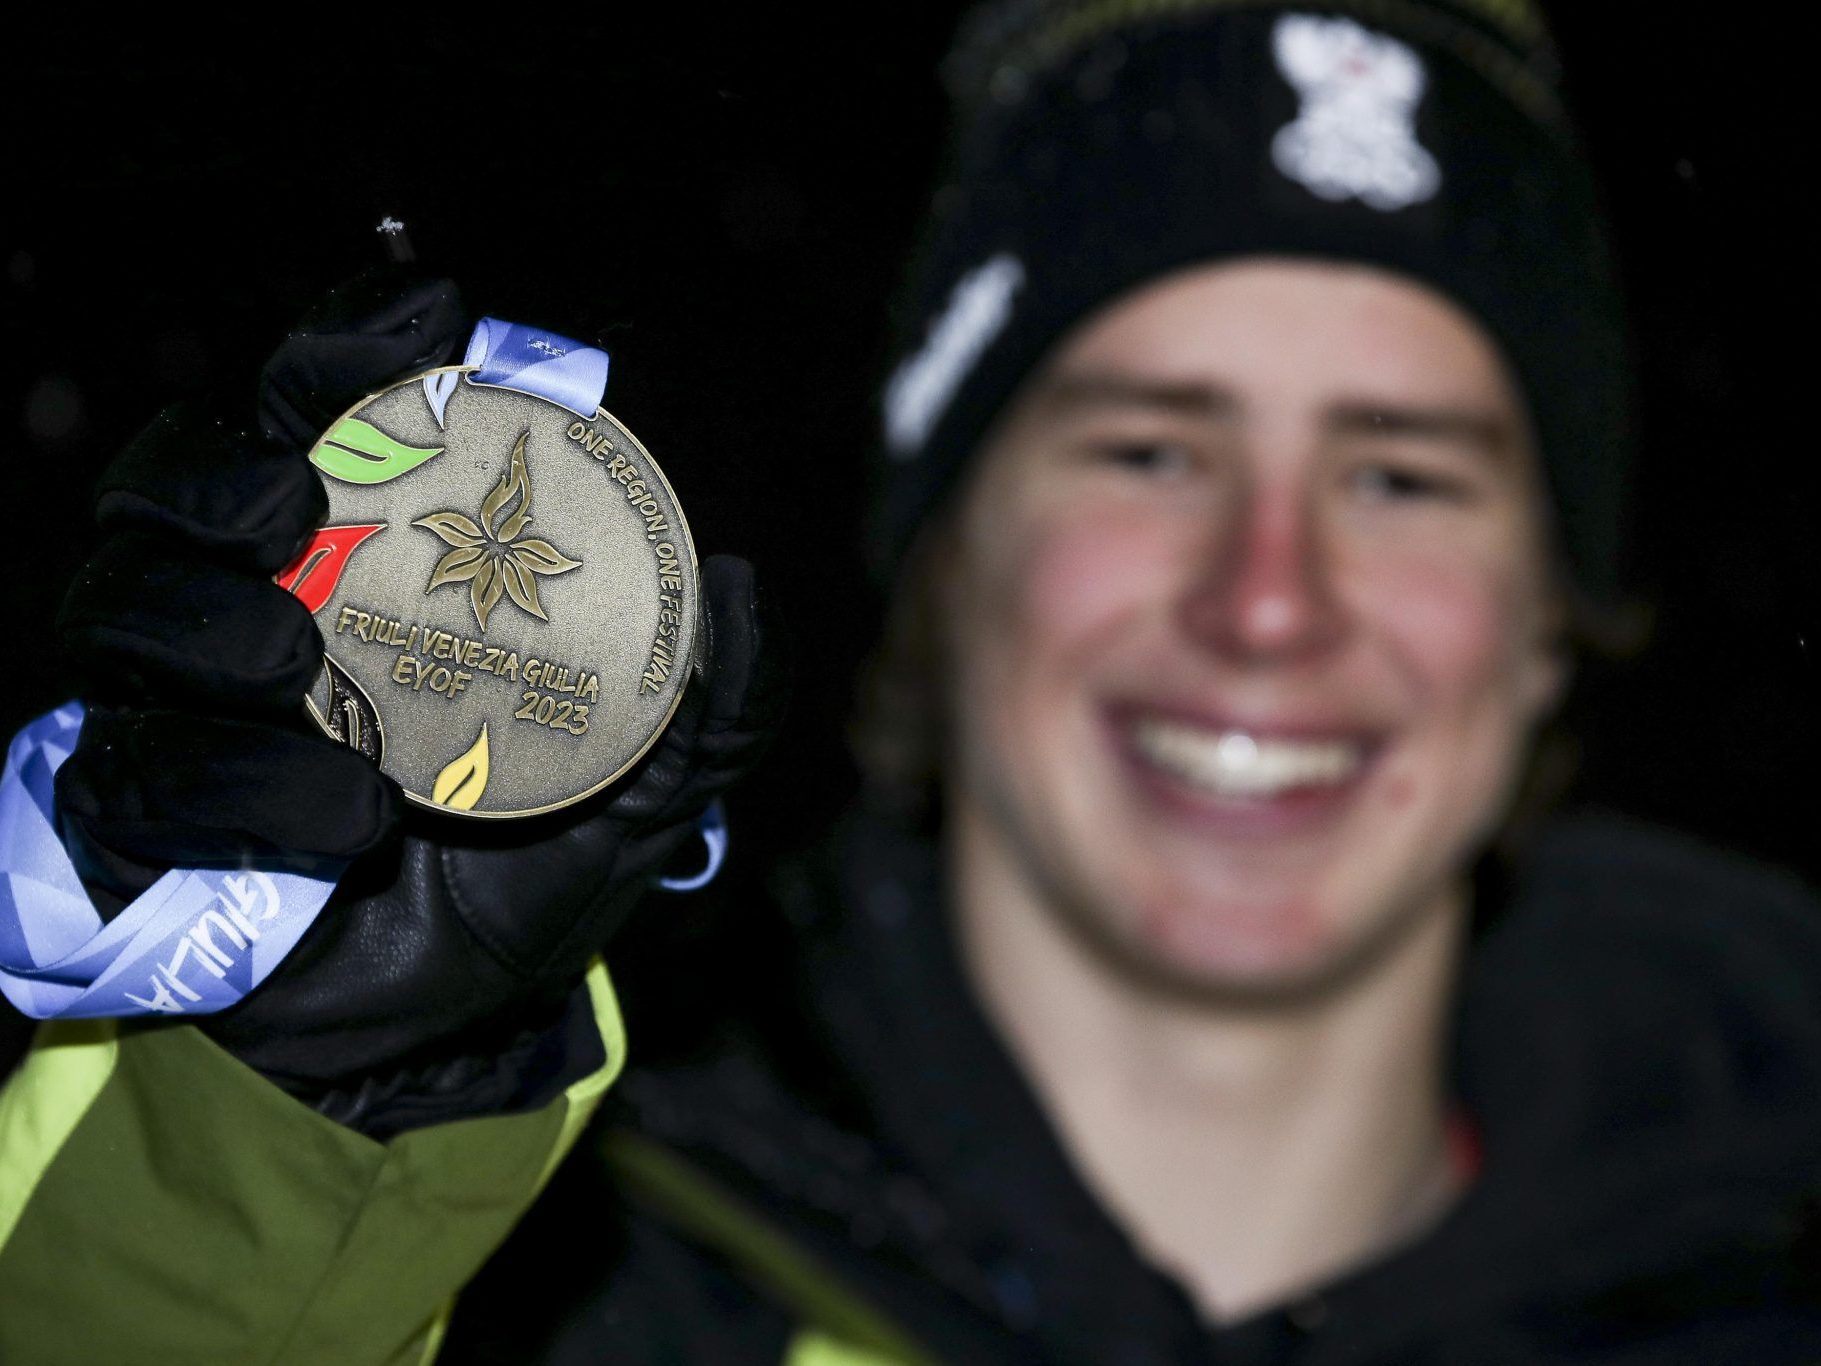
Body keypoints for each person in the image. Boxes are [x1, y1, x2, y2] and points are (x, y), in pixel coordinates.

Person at [3, 1, 1818, 1361]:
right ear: (946, 561)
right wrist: (301, 1121)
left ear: (1548, 615)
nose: (1267, 600)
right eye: (1148, 451)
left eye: (1401, 477)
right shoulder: (538, 1290)